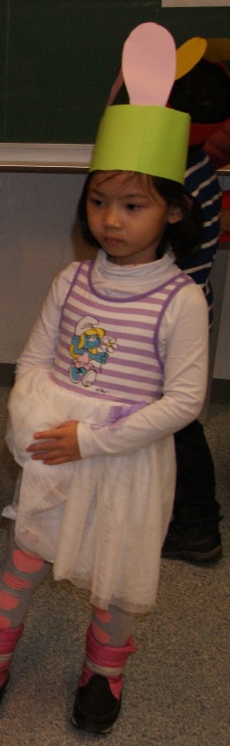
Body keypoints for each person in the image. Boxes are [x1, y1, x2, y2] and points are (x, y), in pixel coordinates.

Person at [0, 23, 208, 734]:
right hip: (57, 452)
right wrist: (33, 425)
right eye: (99, 202)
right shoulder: (71, 281)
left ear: (173, 209)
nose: (111, 220)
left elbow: (185, 402)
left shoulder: (180, 300)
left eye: (133, 205)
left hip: (125, 460)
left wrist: (90, 439)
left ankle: (104, 670)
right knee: (25, 555)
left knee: (115, 578)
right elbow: (33, 361)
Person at [161, 42, 229, 564]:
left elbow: (171, 260)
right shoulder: (192, 163)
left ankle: (199, 526)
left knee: (177, 423)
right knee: (170, 421)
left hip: (173, 319)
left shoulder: (180, 176)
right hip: (180, 310)